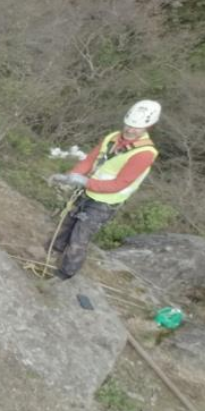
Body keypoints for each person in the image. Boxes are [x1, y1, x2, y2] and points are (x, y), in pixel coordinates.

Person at [49, 100, 161, 279]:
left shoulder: (144, 153)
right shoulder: (113, 138)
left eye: (137, 127)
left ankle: (64, 273)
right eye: (129, 124)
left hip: (105, 203)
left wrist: (85, 182)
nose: (130, 130)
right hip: (88, 191)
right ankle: (52, 252)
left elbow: (119, 184)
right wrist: (72, 176)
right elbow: (90, 160)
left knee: (80, 237)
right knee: (67, 223)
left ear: (149, 126)